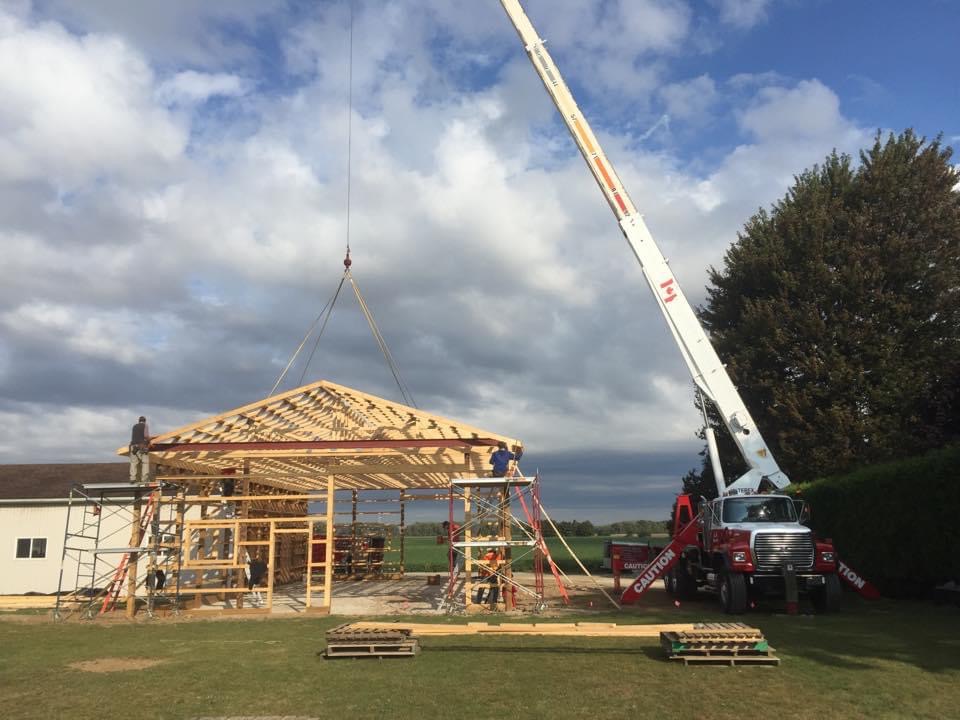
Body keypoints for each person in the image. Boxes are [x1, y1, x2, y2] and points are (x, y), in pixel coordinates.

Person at [129, 416, 153, 484]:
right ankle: (144, 479)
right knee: (145, 463)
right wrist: (150, 441)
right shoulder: (145, 425)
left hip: (133, 447)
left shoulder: (134, 426)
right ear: (145, 421)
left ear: (139, 421)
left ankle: (132, 479)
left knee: (133, 463)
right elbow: (146, 436)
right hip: (142, 446)